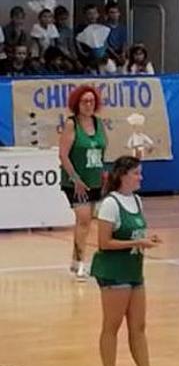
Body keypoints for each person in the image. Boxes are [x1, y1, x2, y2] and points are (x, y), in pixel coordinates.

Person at [91, 156, 177, 366]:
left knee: (138, 327)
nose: (141, 177)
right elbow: (104, 242)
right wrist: (137, 243)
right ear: (123, 175)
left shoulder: (137, 200)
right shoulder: (110, 204)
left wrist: (147, 239)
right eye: (137, 173)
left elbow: (136, 234)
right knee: (111, 326)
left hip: (134, 270)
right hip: (113, 272)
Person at [58, 84, 107, 280]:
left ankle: (74, 261)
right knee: (84, 220)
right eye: (85, 101)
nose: (89, 105)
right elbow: (63, 155)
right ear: (77, 104)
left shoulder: (99, 124)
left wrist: (103, 172)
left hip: (94, 179)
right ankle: (80, 263)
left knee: (85, 222)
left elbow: (102, 150)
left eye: (92, 101)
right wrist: (75, 178)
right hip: (76, 181)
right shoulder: (71, 124)